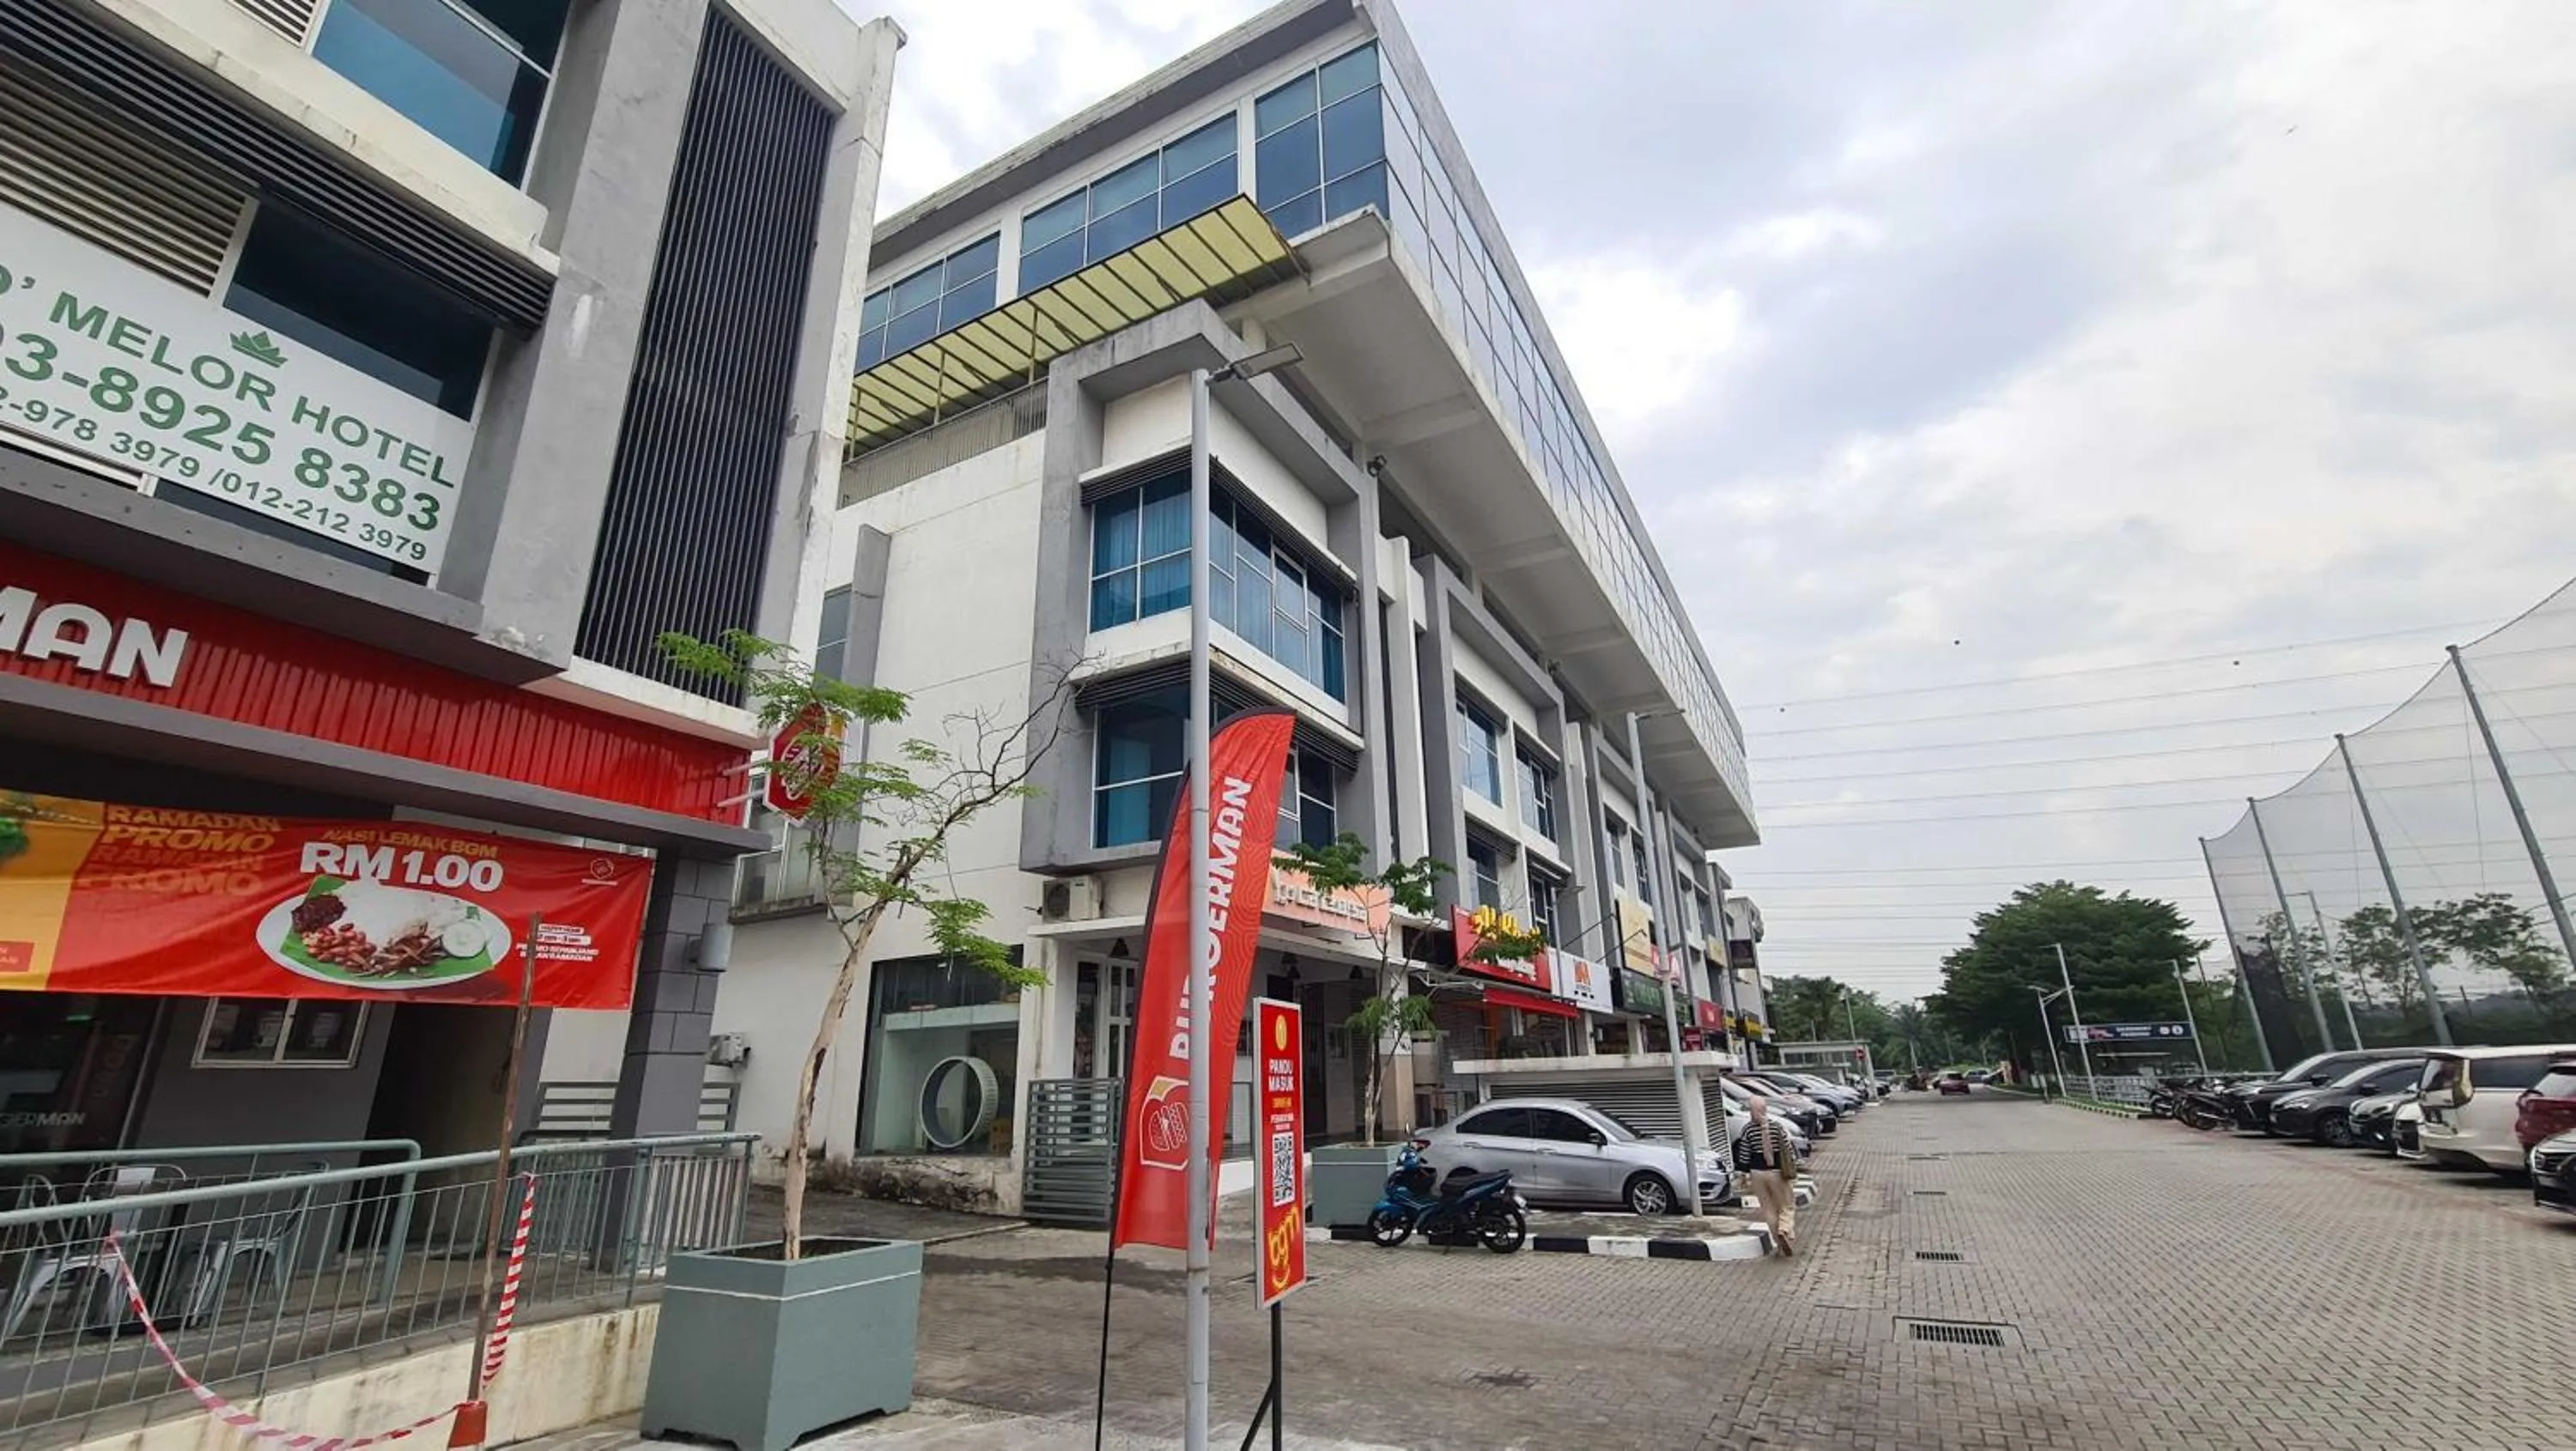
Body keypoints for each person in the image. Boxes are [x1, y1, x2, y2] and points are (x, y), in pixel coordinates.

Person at [1733, 1096, 1803, 1257]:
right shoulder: (1777, 1127)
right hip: (1777, 1172)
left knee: (1769, 1209)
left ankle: (1779, 1243)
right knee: (1786, 1205)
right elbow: (1788, 1150)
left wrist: (1744, 1173)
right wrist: (1794, 1168)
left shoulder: (1747, 1129)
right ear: (1765, 1110)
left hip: (1757, 1174)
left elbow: (1744, 1155)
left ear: (1752, 1112)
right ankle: (1784, 1229)